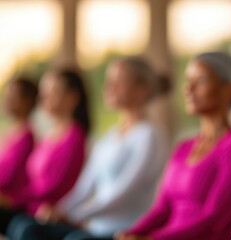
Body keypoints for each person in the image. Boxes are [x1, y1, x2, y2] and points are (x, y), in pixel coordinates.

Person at [101, 51, 231, 240]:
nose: (188, 88)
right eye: (187, 80)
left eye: (200, 81)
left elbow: (214, 220)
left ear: (228, 89)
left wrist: (152, 239)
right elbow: (162, 209)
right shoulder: (183, 147)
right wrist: (132, 232)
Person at [7, 57, 168, 240]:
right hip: (96, 227)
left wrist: (77, 215)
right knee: (24, 227)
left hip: (124, 230)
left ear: (142, 89)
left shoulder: (149, 135)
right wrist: (60, 210)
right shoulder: (109, 136)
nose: (109, 87)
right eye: (109, 81)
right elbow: (84, 188)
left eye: (119, 82)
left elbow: (124, 192)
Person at [0, 67, 90, 234]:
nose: (44, 97)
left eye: (52, 91)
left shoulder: (74, 137)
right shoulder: (49, 136)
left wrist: (13, 199)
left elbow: (51, 188)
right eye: (44, 91)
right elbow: (30, 181)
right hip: (31, 208)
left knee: (22, 228)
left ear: (72, 97)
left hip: (49, 214)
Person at [0, 77, 37, 233]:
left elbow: (7, 176)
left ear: (27, 101)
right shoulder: (10, 133)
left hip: (13, 205)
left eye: (14, 96)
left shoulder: (27, 137)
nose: (8, 100)